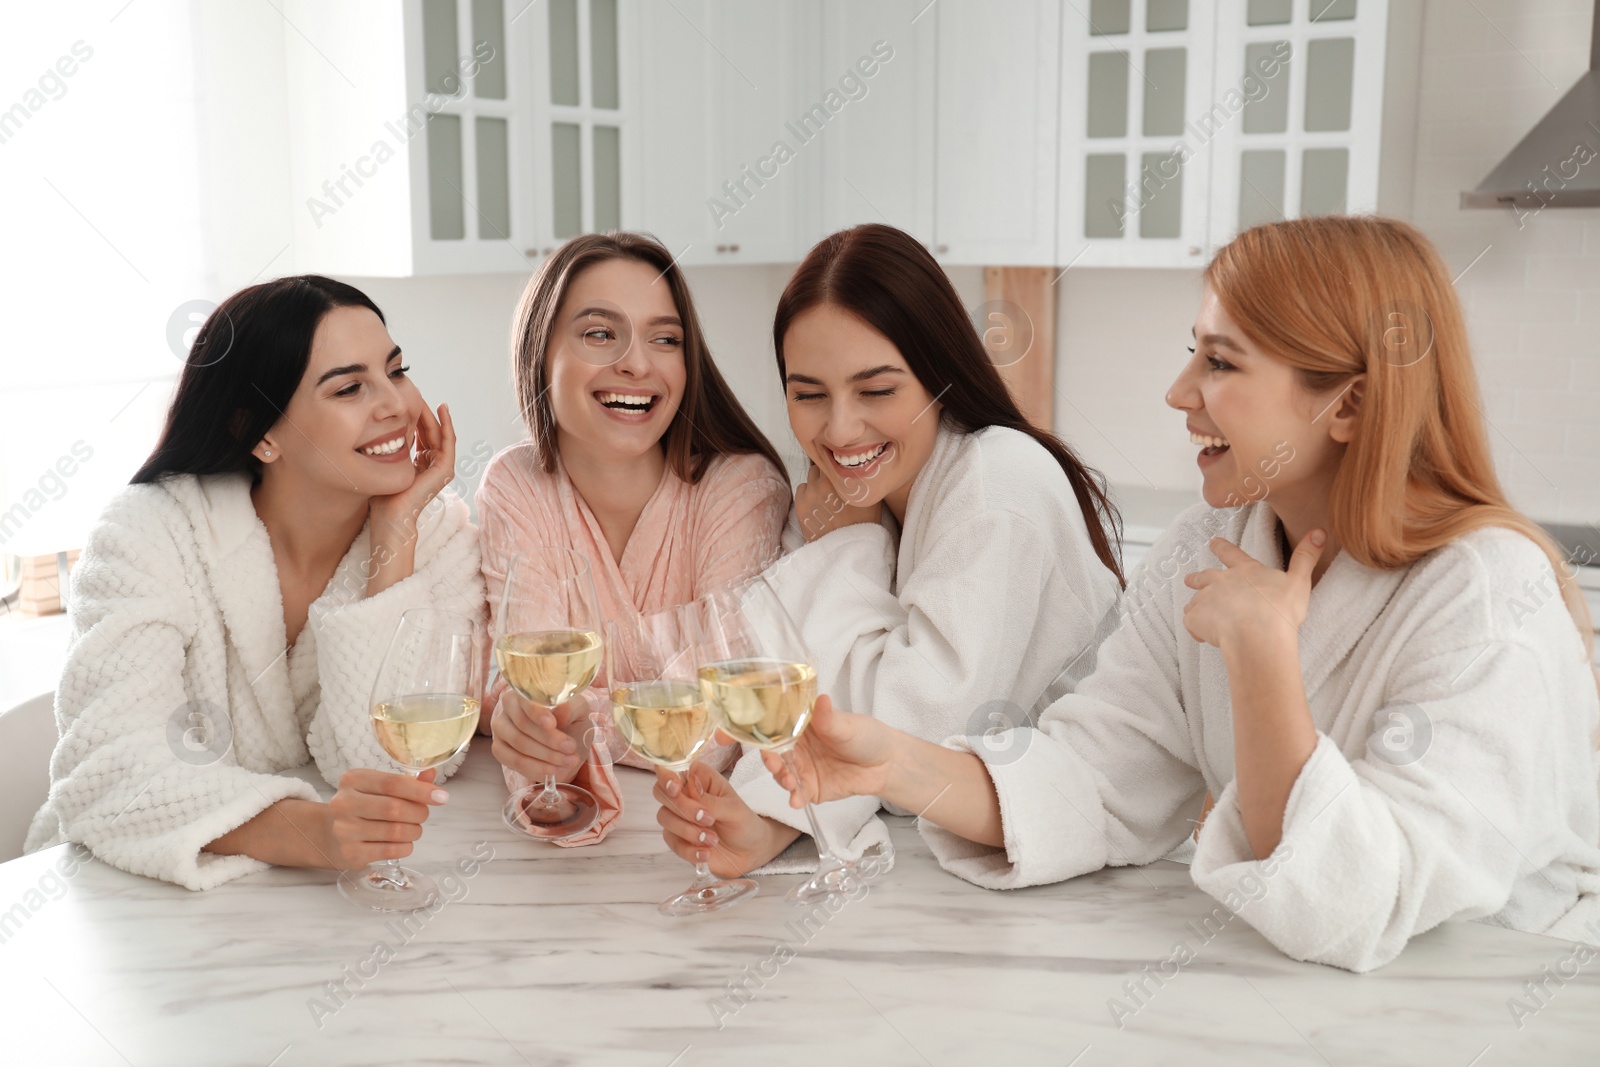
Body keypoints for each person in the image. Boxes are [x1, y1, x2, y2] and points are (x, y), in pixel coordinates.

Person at [756, 216, 1600, 972]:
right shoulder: (1215, 541)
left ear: (1350, 403)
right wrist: (896, 762)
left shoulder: (1483, 593)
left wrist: (1263, 654)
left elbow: (1351, 901)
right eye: (1192, 349)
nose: (1179, 390)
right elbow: (1093, 776)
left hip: (1504, 991)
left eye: (1221, 361)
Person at [654, 223, 1126, 875]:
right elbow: (806, 697)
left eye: (877, 390)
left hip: (1076, 858)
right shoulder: (849, 494)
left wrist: (850, 536)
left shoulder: (996, 485)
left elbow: (910, 731)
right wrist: (768, 821)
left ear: (940, 373)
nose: (840, 427)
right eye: (808, 394)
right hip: (946, 858)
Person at [26, 276, 484, 890]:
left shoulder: (436, 533)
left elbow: (398, 766)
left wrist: (394, 536)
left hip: (304, 905)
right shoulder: (148, 534)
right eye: (350, 387)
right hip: (123, 889)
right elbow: (111, 776)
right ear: (260, 433)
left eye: (396, 372)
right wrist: (311, 832)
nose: (396, 405)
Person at [479, 232, 791, 845]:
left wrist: (536, 721)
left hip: (700, 844)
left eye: (665, 339)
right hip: (585, 885)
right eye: (600, 333)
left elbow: (719, 727)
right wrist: (528, 730)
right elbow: (537, 697)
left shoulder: (741, 486)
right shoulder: (516, 485)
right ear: (541, 352)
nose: (638, 363)